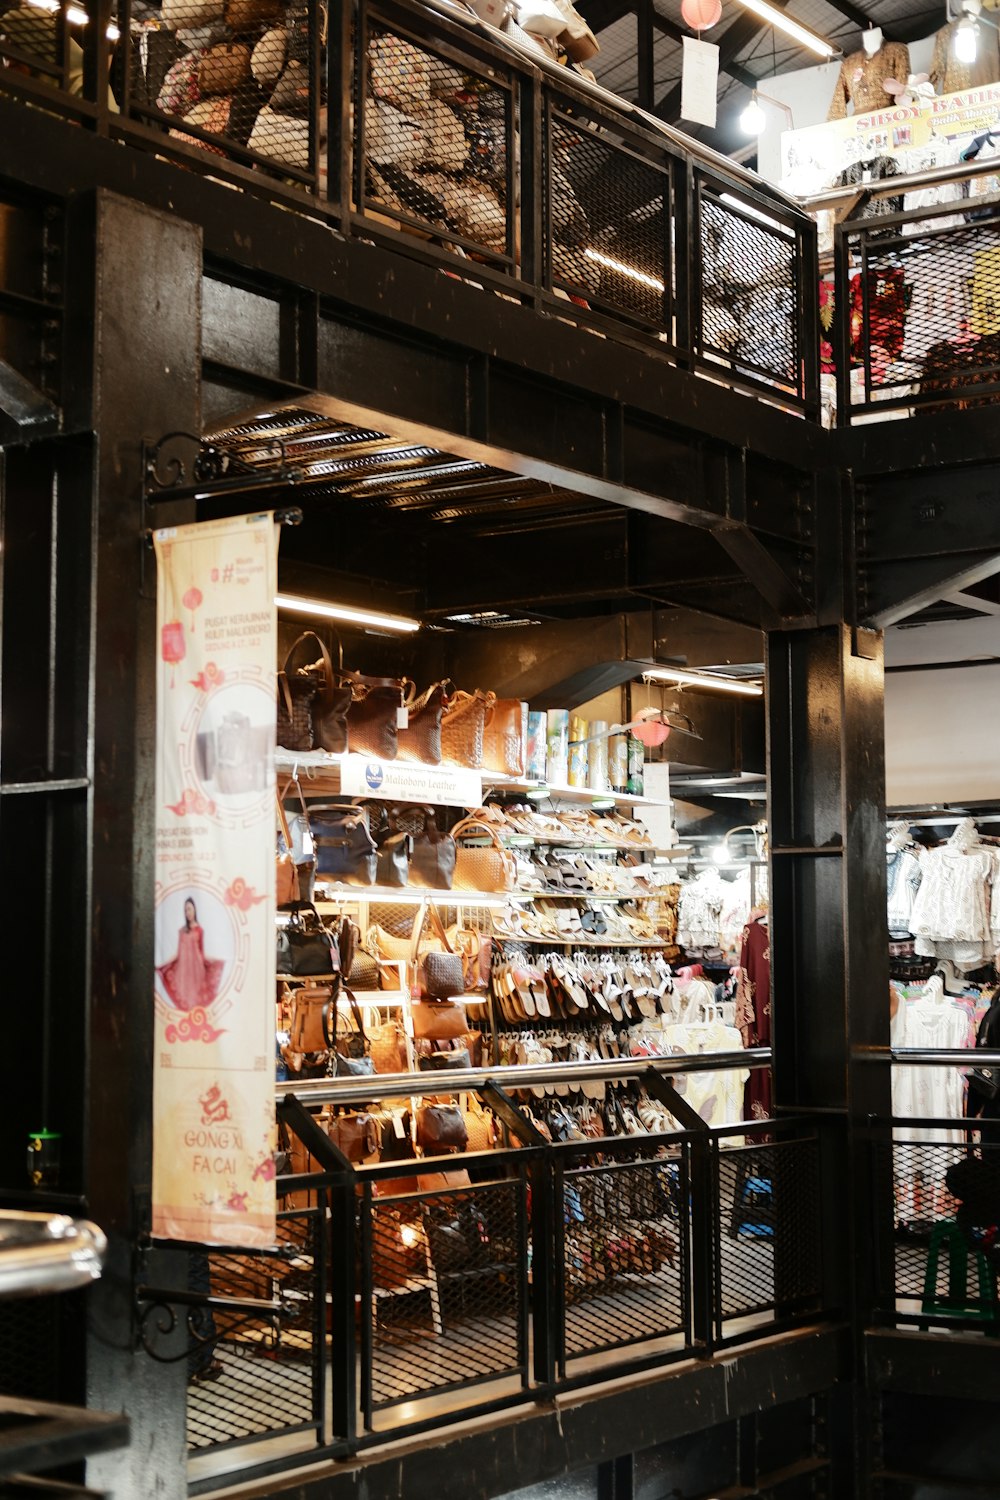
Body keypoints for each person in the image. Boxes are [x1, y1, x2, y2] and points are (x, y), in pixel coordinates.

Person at [157, 898, 224, 1011]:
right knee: (186, 1006)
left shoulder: (200, 930)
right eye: (185, 910)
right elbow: (178, 954)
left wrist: (214, 961)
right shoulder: (182, 931)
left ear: (194, 910)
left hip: (197, 972)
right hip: (183, 973)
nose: (188, 912)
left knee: (196, 1005)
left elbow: (201, 954)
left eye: (189, 909)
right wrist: (163, 965)